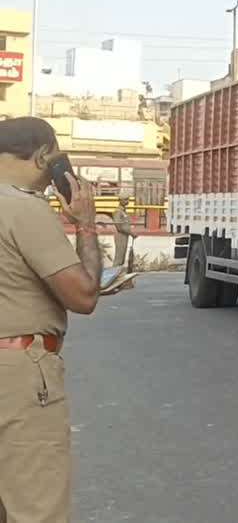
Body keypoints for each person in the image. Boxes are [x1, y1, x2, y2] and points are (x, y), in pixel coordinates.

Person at [0, 116, 103, 522]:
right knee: (35, 509)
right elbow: (84, 295)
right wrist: (86, 223)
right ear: (44, 156)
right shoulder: (23, 209)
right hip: (17, 373)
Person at [111, 195, 134, 268]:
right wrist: (131, 233)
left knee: (122, 258)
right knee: (119, 258)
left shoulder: (124, 211)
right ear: (120, 201)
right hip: (120, 235)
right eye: (126, 200)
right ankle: (113, 274)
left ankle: (118, 274)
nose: (128, 201)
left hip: (125, 235)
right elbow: (119, 227)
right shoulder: (118, 212)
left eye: (128, 199)